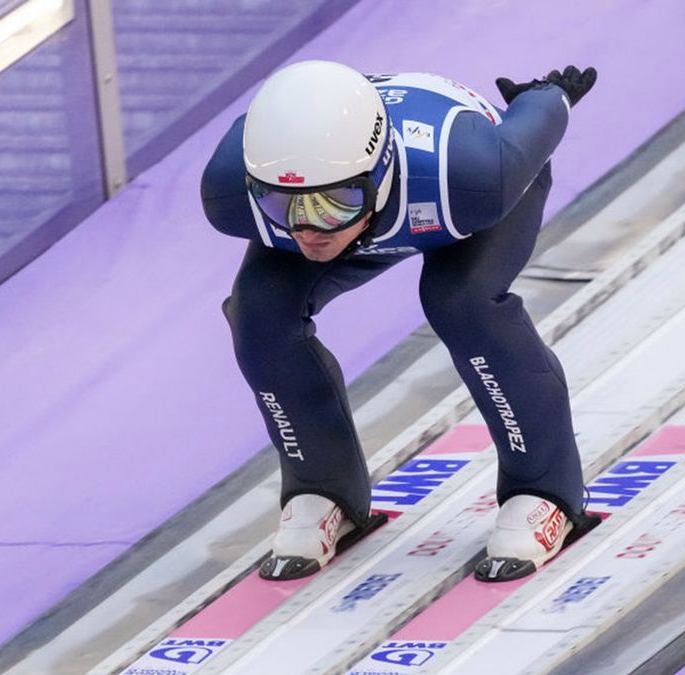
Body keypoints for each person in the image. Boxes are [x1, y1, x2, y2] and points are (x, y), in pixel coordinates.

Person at [200, 61, 601, 582]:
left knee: (461, 301)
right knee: (258, 315)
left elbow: (541, 118)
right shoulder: (232, 194)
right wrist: (319, 209)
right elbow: (309, 211)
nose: (310, 231)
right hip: (385, 209)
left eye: (335, 203)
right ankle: (322, 488)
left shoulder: (473, 175)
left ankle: (544, 489)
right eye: (281, 205)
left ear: (380, 171)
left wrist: (545, 96)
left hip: (454, 206)